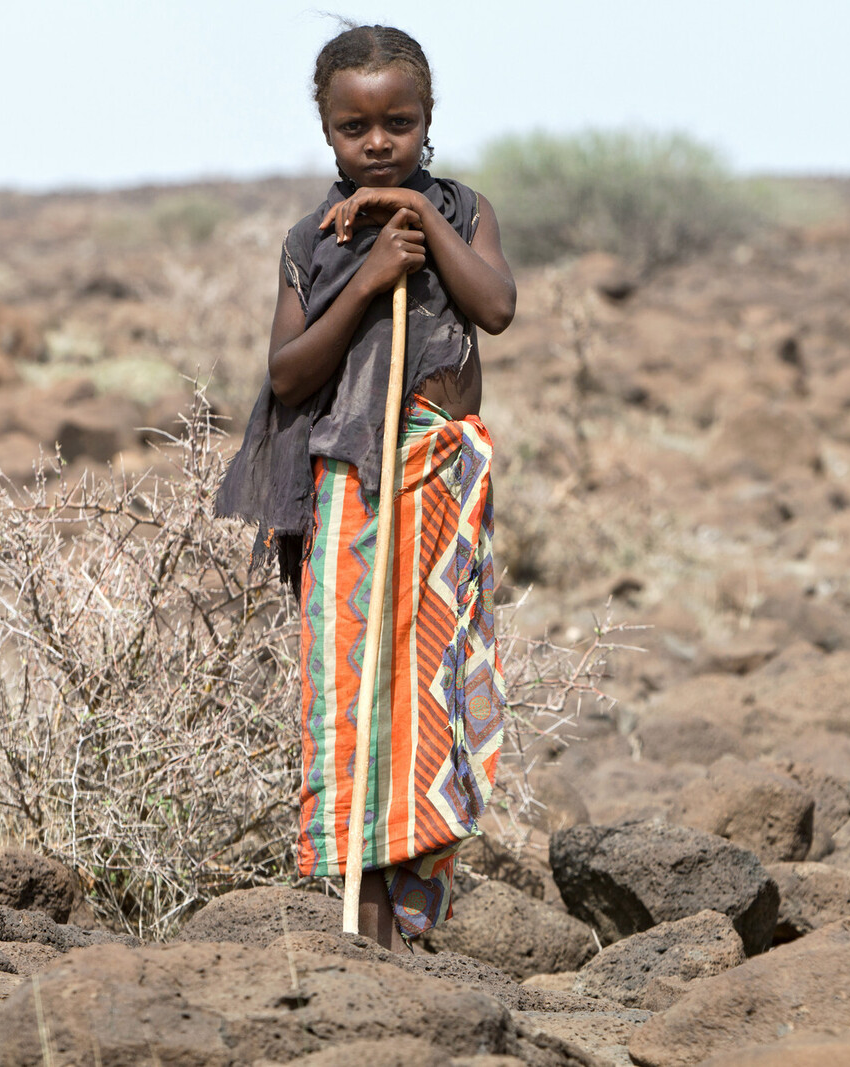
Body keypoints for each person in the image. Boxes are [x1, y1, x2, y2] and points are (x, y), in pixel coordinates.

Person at [216, 24, 516, 949]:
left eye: (400, 123)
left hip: (439, 476)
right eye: (356, 128)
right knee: (357, 695)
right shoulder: (312, 240)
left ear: (429, 121)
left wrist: (418, 226)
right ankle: (366, 922)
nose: (378, 143)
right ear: (327, 131)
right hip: (354, 488)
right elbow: (291, 371)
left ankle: (412, 917)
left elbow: (496, 308)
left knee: (428, 695)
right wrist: (368, 279)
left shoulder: (462, 213)